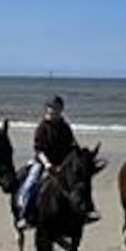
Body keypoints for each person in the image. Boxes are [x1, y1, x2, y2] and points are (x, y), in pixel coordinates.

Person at [15, 94, 97, 227]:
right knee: (31, 183)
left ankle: (87, 210)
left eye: (57, 108)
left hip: (63, 163)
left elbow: (73, 145)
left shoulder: (65, 127)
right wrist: (47, 164)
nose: (54, 111)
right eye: (52, 108)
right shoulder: (42, 127)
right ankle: (25, 215)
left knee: (81, 183)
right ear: (46, 109)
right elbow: (38, 149)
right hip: (43, 162)